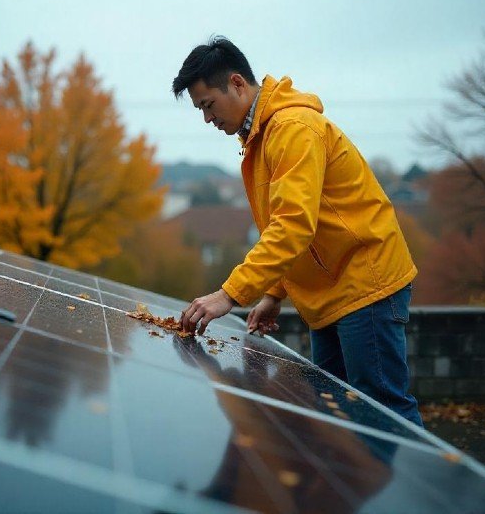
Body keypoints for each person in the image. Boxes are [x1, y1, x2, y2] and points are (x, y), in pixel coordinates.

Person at [173, 36, 422, 426]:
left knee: (382, 411)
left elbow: (292, 226)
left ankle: (415, 486)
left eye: (208, 105)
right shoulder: (260, 138)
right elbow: (288, 225)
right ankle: (355, 487)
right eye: (201, 110)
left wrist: (230, 294)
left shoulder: (293, 129)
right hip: (331, 291)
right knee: (332, 408)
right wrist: (274, 293)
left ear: (237, 84)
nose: (207, 118)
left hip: (365, 283)